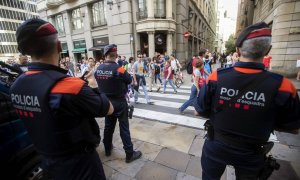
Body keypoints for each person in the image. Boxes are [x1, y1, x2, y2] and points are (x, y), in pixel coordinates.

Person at [10, 18, 114, 180]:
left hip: (47, 163)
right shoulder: (70, 86)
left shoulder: (16, 86)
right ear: (59, 46)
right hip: (80, 165)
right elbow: (108, 108)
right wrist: (93, 85)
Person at [196, 22, 300, 180]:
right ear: (268, 51)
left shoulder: (217, 77)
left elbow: (199, 110)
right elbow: (293, 128)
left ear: (237, 50)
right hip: (252, 153)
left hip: (216, 146)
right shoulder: (284, 86)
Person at [94, 44, 142, 163]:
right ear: (115, 56)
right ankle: (129, 154)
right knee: (124, 128)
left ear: (105, 55)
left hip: (106, 102)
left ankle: (107, 148)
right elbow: (129, 80)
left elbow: (96, 80)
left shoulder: (98, 68)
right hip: (119, 102)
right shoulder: (119, 68)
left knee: (108, 126)